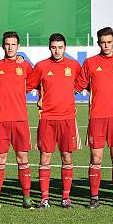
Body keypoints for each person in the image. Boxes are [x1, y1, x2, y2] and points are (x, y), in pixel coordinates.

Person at [74, 27, 113, 209]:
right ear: (98, 43)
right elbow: (76, 86)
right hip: (97, 117)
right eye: (103, 42)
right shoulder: (90, 62)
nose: (106, 45)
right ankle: (94, 197)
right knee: (96, 158)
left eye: (109, 41)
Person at [0, 31, 34, 209]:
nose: (10, 47)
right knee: (0, 159)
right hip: (1, 120)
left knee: (22, 158)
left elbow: (38, 82)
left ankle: (26, 197)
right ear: (3, 46)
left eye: (13, 44)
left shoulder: (25, 66)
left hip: (20, 120)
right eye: (7, 44)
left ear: (18, 47)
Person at [26, 33, 81, 209]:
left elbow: (85, 83)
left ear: (65, 48)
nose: (57, 50)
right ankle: (45, 199)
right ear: (50, 48)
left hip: (67, 119)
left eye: (60, 47)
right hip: (47, 118)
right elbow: (26, 85)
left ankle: (66, 198)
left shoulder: (74, 66)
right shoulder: (41, 66)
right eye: (54, 47)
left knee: (67, 157)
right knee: (45, 158)